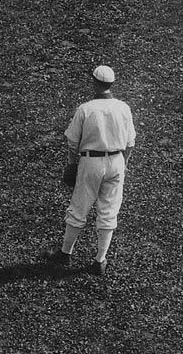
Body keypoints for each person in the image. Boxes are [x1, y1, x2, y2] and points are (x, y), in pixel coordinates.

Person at [45, 64, 137, 280]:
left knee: (79, 207)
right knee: (108, 211)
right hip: (116, 161)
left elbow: (72, 142)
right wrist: (123, 164)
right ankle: (99, 261)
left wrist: (71, 164)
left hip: (91, 162)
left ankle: (65, 253)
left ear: (95, 83)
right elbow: (130, 143)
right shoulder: (124, 108)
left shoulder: (86, 109)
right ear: (111, 84)